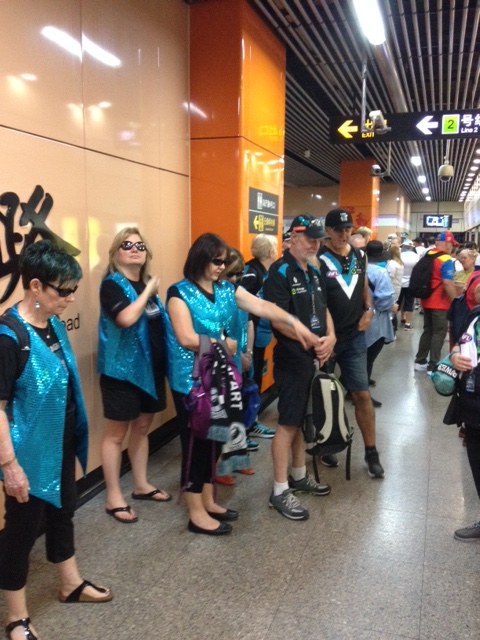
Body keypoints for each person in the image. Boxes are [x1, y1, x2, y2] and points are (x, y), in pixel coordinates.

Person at [164, 232, 315, 535]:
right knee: (196, 445)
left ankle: (207, 499)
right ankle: (195, 513)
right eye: (215, 261)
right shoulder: (178, 292)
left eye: (223, 262)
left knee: (214, 442)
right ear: (199, 259)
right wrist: (223, 344)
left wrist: (294, 322)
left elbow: (262, 307)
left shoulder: (225, 289)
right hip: (191, 382)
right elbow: (185, 337)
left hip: (220, 380)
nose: (221, 267)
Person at [0, 240, 112, 640]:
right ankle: (16, 617)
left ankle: (70, 583)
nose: (69, 298)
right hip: (26, 452)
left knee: (65, 510)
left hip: (59, 441)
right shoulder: (9, 335)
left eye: (72, 289)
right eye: (61, 290)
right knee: (21, 532)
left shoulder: (54, 325)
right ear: (34, 285)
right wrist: (10, 466)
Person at [263, 214, 336, 520]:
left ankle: (298, 474)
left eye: (319, 240)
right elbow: (278, 319)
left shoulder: (314, 272)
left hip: (315, 357)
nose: (315, 245)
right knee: (288, 423)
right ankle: (279, 491)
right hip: (293, 360)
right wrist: (311, 342)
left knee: (305, 420)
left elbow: (324, 309)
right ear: (293, 238)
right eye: (310, 239)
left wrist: (330, 337)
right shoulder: (280, 272)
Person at [98, 227, 170, 524]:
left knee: (142, 427)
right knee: (116, 435)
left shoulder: (146, 287)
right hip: (122, 373)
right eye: (127, 244)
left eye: (140, 245)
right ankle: (114, 496)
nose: (134, 248)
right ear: (116, 253)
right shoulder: (112, 285)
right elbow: (126, 318)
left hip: (150, 369)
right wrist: (149, 292)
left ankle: (141, 485)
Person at [318, 208, 384, 478]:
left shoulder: (360, 256)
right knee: (324, 394)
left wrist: (369, 311)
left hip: (355, 337)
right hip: (327, 339)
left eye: (348, 230)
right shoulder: (318, 260)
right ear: (329, 231)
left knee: (361, 393)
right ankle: (327, 442)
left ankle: (371, 452)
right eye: (339, 230)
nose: (345, 234)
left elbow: (364, 289)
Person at [239, 233, 279, 442]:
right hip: (248, 338)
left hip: (258, 335)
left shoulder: (262, 271)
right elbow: (243, 308)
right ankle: (246, 426)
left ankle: (251, 422)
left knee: (253, 379)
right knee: (248, 380)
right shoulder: (252, 274)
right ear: (270, 251)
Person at [449, 286, 480, 541]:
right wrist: (455, 356)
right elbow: (459, 346)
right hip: (472, 405)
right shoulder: (475, 316)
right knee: (477, 465)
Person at [414, 231, 457, 374]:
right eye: (452, 244)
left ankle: (420, 361)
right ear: (447, 243)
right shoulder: (446, 259)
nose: (452, 247)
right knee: (439, 333)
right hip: (440, 303)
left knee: (428, 331)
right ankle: (433, 365)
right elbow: (448, 283)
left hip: (426, 299)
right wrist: (455, 301)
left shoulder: (428, 254)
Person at [364, 241, 398, 408]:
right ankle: (362, 395)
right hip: (376, 320)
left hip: (357, 317)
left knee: (358, 355)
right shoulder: (380, 272)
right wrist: (392, 306)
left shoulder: (354, 269)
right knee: (369, 357)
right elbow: (384, 300)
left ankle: (355, 387)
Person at [397, 240, 420, 331]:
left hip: (399, 283)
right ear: (412, 247)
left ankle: (397, 320)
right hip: (411, 283)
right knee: (409, 302)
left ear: (403, 247)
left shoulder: (399, 256)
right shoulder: (416, 257)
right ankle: (408, 323)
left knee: (398, 302)